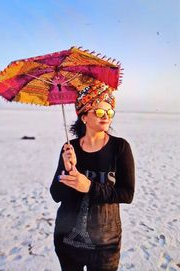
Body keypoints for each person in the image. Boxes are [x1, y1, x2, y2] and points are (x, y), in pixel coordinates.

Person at [50, 82, 135, 271]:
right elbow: (56, 194)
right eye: (99, 112)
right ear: (84, 116)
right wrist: (66, 169)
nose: (106, 116)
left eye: (110, 112)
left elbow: (127, 194)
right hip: (67, 238)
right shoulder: (69, 148)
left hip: (106, 242)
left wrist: (88, 186)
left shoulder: (120, 148)